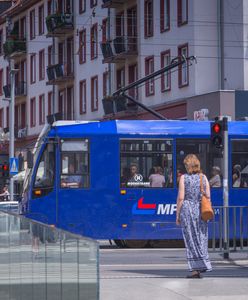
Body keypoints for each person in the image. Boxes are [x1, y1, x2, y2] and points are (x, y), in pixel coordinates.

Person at [176, 154, 212, 278]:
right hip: (200, 210)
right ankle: (203, 264)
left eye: (186, 165)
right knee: (201, 237)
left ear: (188, 165)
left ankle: (195, 270)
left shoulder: (183, 178)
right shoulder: (204, 177)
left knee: (191, 239)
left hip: (187, 211)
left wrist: (177, 215)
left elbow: (181, 198)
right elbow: (208, 196)